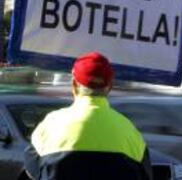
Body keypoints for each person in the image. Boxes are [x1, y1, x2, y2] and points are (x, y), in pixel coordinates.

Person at [24, 52, 152, 180]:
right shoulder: (129, 132)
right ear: (109, 87)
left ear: (74, 85)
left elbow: (31, 172)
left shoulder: (51, 125)